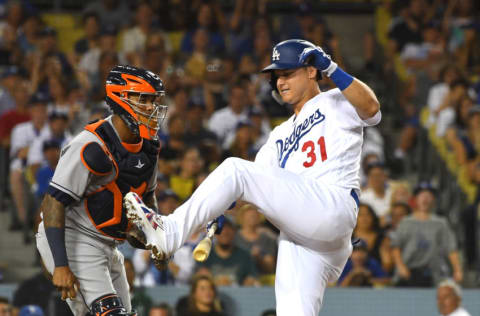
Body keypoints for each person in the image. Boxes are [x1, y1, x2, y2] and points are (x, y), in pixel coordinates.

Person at [128, 39, 381, 316]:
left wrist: (330, 67)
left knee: (235, 168)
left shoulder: (337, 98)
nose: (280, 82)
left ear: (311, 71)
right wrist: (218, 206)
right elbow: (249, 188)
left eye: (287, 73)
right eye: (277, 76)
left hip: (333, 205)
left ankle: (170, 233)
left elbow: (371, 108)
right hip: (305, 233)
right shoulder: (278, 136)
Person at [35, 65, 168, 315]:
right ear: (120, 98)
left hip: (109, 245)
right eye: (144, 99)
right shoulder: (90, 145)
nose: (151, 107)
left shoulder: (149, 145)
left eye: (154, 100)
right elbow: (53, 201)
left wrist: (155, 238)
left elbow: (147, 200)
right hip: (74, 238)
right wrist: (61, 265)